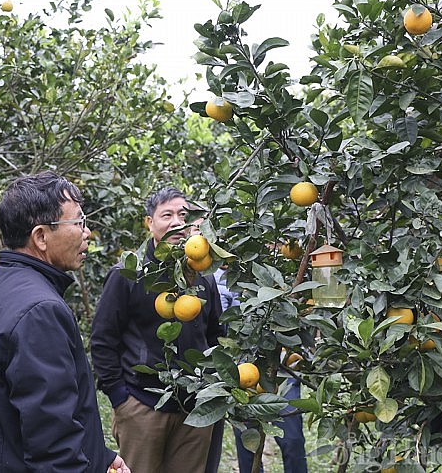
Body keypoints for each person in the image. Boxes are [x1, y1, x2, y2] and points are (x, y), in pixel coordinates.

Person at [0, 171, 129, 473]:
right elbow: (53, 448)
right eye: (78, 222)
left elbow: (47, 416)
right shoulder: (40, 311)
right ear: (41, 236)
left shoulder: (7, 285)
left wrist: (99, 457)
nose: (87, 232)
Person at [91, 187, 224, 473]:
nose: (177, 222)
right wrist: (119, 397)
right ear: (150, 222)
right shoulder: (129, 274)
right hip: (142, 405)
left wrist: (211, 387)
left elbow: (215, 336)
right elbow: (103, 340)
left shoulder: (203, 277)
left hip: (194, 409)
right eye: (167, 215)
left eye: (183, 215)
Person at [213, 268, 309, 473]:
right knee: (248, 439)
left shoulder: (274, 268)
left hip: (282, 367)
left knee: (292, 439)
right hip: (245, 368)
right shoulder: (210, 279)